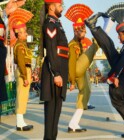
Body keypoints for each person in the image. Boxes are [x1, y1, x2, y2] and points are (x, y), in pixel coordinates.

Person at [64, 3, 98, 133]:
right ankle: (99, 37)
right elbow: (71, 63)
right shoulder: (72, 45)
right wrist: (71, 82)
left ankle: (73, 123)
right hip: (77, 70)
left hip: (81, 70)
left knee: (86, 92)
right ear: (75, 31)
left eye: (84, 30)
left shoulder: (79, 43)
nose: (83, 32)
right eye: (81, 30)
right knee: (93, 48)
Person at [40, 0, 68, 139]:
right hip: (53, 73)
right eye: (59, 5)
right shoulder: (50, 24)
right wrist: (56, 73)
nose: (62, 8)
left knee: (56, 113)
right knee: (51, 113)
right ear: (51, 6)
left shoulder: (57, 23)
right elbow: (51, 49)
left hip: (59, 71)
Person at [10, 8, 33, 131]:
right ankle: (19, 123)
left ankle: (21, 121)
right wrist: (25, 76)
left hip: (26, 71)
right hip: (23, 71)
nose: (26, 34)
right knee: (21, 96)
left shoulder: (22, 45)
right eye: (24, 32)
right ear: (19, 33)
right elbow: (21, 62)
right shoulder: (19, 46)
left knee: (24, 96)